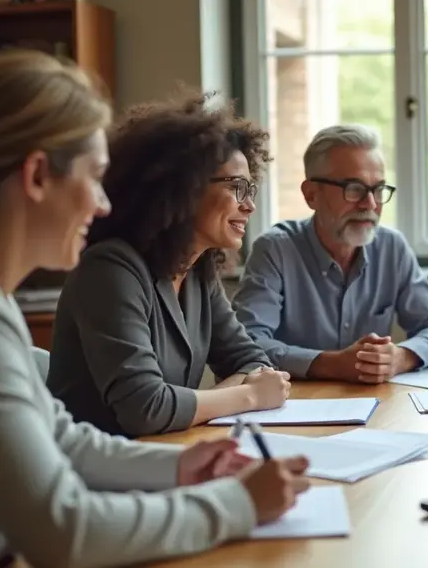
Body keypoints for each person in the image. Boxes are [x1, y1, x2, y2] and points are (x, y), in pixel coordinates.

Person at [0, 50, 309, 568]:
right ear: (37, 176)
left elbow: (64, 440)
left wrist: (180, 467)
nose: (103, 202)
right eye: (95, 177)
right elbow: (62, 531)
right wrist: (238, 505)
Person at [46, 90, 291, 437]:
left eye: (250, 189)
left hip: (166, 452)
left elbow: (254, 362)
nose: (249, 205)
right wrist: (248, 395)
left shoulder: (198, 272)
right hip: (98, 465)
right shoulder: (110, 270)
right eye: (237, 186)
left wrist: (203, 402)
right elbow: (146, 410)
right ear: (183, 187)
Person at [232, 124, 428, 383]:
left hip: (377, 403)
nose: (370, 204)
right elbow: (247, 343)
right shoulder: (275, 250)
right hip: (294, 403)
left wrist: (401, 357)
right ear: (311, 194)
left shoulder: (391, 248)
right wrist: (330, 364)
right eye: (354, 189)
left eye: (378, 189)